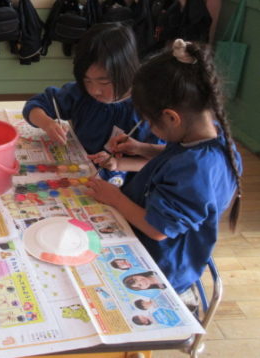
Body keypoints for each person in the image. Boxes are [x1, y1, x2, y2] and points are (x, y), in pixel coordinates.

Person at [86, 39, 242, 308]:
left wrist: (114, 197)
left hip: (159, 265)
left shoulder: (196, 169)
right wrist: (142, 148)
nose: (148, 126)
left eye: (149, 121)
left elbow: (158, 229)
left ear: (171, 117)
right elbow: (179, 154)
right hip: (150, 238)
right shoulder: (210, 137)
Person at [23, 22, 158, 186]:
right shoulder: (80, 93)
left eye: (104, 82)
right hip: (78, 172)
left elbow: (158, 159)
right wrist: (47, 123)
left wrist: (118, 163)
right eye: (87, 80)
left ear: (127, 72)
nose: (94, 90)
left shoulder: (147, 107)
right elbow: (34, 105)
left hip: (124, 186)